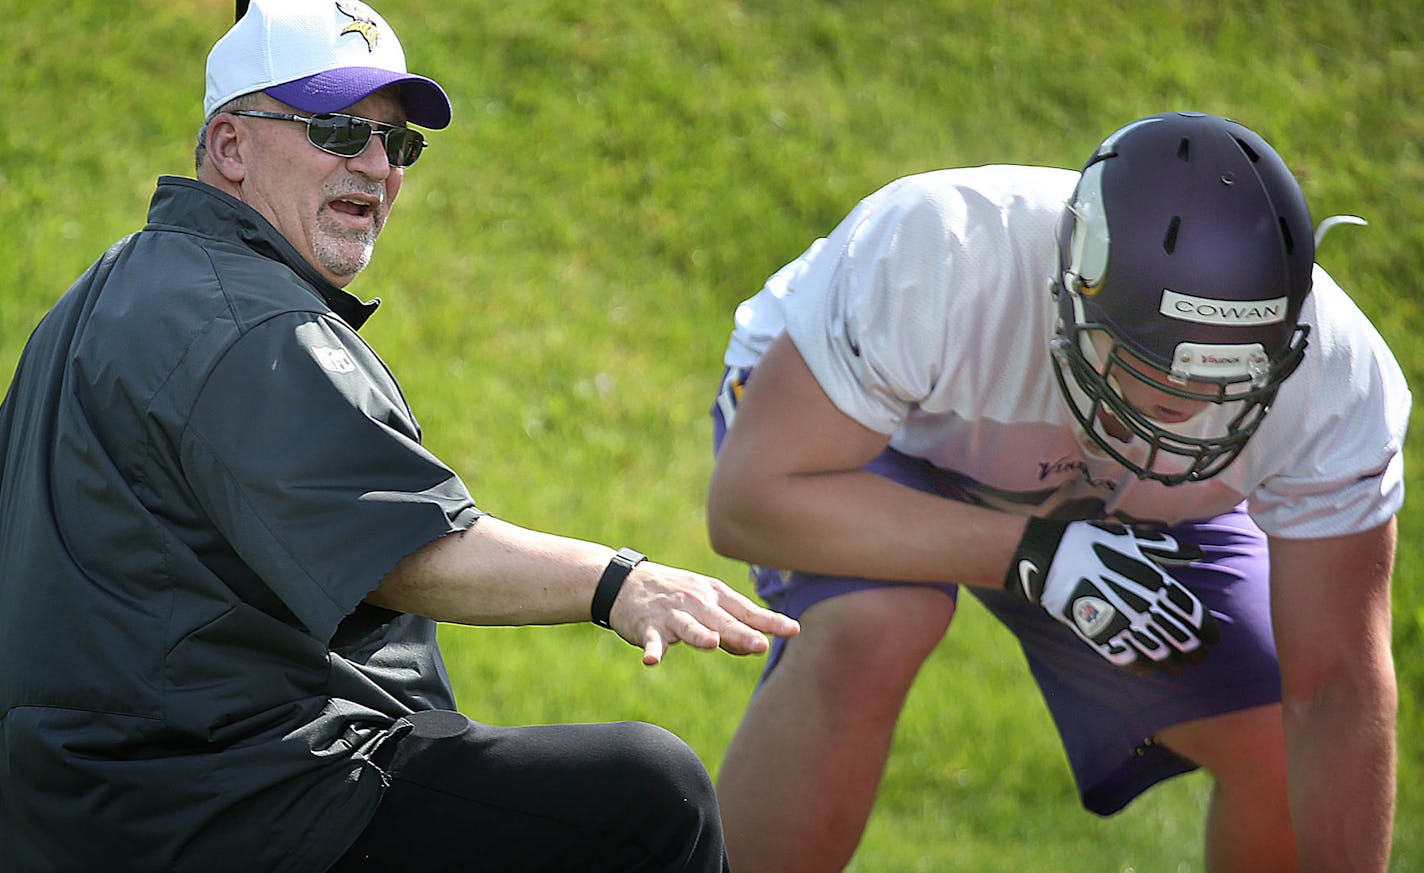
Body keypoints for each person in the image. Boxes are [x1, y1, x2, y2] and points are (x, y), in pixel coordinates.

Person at [0, 1, 799, 871]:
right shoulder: (251, 323)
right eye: (339, 130)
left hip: (90, 803)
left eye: (399, 142)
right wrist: (620, 583)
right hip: (233, 799)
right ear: (230, 146)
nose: (378, 166)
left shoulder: (107, 289)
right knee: (653, 796)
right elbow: (402, 546)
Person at [705, 111, 1407, 872]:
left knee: (1274, 729)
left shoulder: (1339, 379)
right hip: (884, 438)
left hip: (1120, 498)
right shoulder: (940, 248)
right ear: (1074, 285)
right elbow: (752, 499)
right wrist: (1034, 551)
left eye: (1227, 382)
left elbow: (1337, 687)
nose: (1188, 403)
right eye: (1152, 367)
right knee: (877, 622)